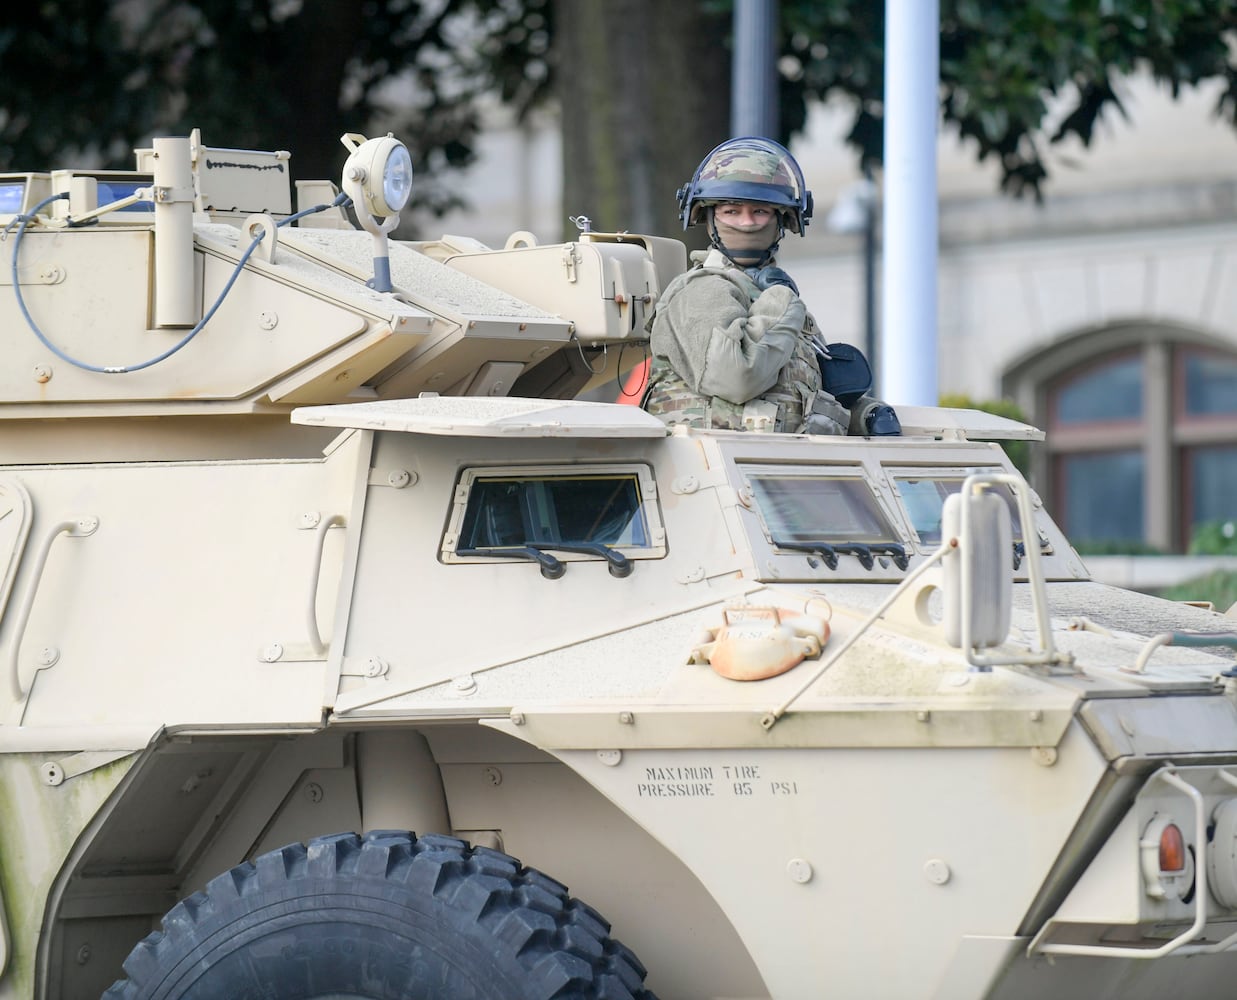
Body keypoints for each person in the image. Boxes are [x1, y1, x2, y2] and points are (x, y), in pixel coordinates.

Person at [642, 136, 899, 436]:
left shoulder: (774, 298)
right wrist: (781, 299)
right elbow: (737, 378)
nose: (747, 222)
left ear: (781, 220)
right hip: (712, 467)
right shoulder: (700, 291)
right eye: (731, 211)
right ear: (710, 218)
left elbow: (807, 399)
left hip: (775, 469)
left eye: (760, 211)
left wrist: (865, 414)